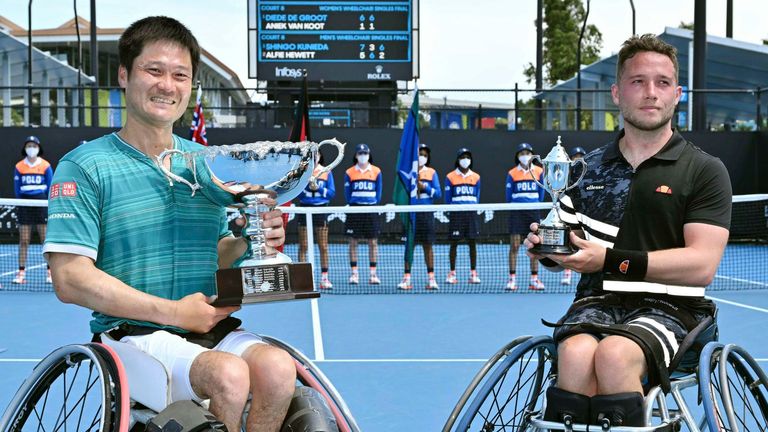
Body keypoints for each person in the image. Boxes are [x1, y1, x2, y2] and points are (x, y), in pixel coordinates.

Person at [43, 17, 295, 432]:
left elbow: (214, 252)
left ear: (190, 86)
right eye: (153, 70)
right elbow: (70, 278)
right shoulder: (83, 166)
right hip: (130, 336)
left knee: (279, 369)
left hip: (205, 328)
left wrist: (252, 239)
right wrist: (175, 313)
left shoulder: (208, 163)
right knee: (229, 377)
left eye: (180, 75)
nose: (167, 85)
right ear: (124, 75)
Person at [525, 34, 732, 427]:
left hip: (673, 310)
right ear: (617, 93)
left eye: (662, 82)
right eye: (638, 82)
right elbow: (571, 246)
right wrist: (548, 250)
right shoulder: (586, 169)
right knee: (574, 354)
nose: (650, 93)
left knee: (615, 354)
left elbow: (701, 265)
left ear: (678, 94)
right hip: (596, 303)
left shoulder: (705, 170)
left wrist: (608, 260)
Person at [398, 143, 442, 290]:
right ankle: (407, 279)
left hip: (426, 214)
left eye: (424, 154)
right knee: (409, 246)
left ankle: (431, 279)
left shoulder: (432, 173)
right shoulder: (407, 172)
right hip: (411, 214)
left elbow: (438, 194)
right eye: (419, 154)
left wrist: (425, 187)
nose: (422, 157)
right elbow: (402, 193)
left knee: (428, 246)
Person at [13, 136, 54, 284]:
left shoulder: (45, 165)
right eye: (29, 145)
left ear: (38, 147)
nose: (31, 148)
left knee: (45, 240)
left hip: (41, 205)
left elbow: (51, 186)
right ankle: (21, 273)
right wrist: (20, 202)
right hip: (25, 206)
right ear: (25, 148)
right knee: (24, 240)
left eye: (34, 145)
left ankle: (50, 273)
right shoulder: (19, 166)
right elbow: (17, 189)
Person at [505, 142, 545, 291]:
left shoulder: (539, 171)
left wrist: (534, 205)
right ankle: (512, 280)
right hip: (516, 212)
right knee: (514, 245)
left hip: (533, 212)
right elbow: (508, 196)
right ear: (517, 156)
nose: (525, 156)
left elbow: (541, 194)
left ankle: (534, 279)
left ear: (532, 155)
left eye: (527, 153)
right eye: (522, 153)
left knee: (535, 246)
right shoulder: (512, 173)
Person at [343, 143, 383, 285]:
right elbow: (347, 195)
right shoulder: (349, 172)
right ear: (356, 156)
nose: (363, 156)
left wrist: (372, 204)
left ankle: (373, 274)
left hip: (371, 210)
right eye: (360, 153)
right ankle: (354, 274)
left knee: (373, 242)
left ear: (369, 154)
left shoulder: (377, 171)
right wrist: (354, 203)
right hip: (355, 210)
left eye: (365, 153)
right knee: (353, 242)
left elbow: (378, 193)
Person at [297, 151, 335, 289]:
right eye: (312, 155)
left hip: (320, 210)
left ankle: (324, 278)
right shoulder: (302, 171)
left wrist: (318, 188)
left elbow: (331, 193)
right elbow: (298, 194)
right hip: (304, 210)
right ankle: (302, 278)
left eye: (317, 154)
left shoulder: (326, 172)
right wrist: (308, 185)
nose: (315, 157)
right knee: (303, 246)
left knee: (323, 246)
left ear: (320, 156)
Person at [445, 148, 482, 284]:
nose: (465, 160)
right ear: (458, 159)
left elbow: (477, 196)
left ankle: (473, 273)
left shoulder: (476, 177)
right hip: (456, 214)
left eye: (467, 157)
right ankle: (452, 273)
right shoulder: (450, 177)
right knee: (454, 243)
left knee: (472, 243)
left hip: (471, 214)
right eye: (462, 157)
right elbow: (448, 199)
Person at [559, 146, 587, 287]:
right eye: (575, 156)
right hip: (569, 213)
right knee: (569, 242)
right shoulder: (565, 174)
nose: (577, 159)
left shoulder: (591, 174)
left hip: (585, 213)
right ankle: (567, 273)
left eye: (580, 156)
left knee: (585, 245)